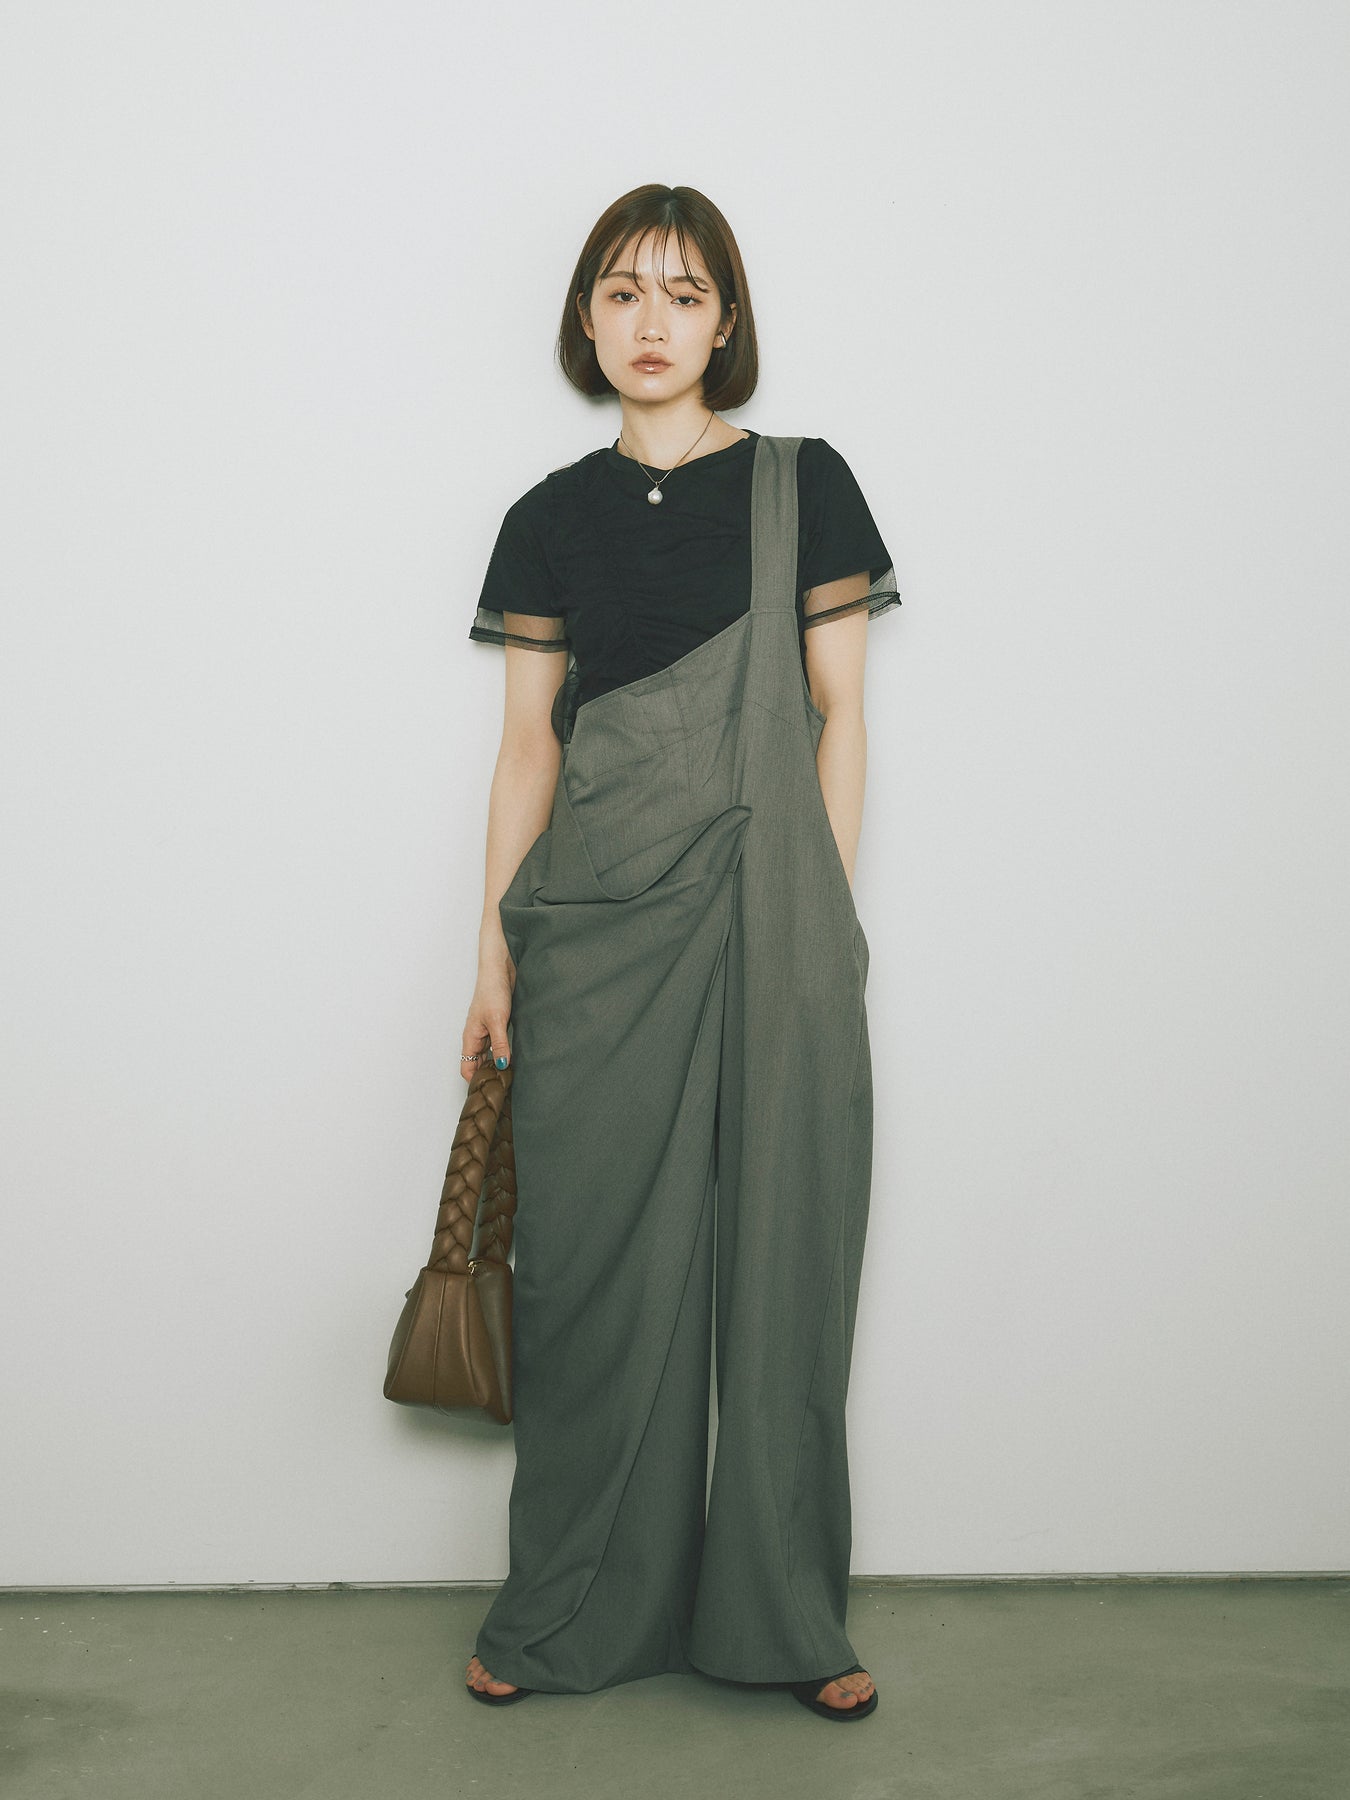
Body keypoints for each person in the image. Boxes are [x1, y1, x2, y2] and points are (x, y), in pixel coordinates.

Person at [459, 183, 899, 1722]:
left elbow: (840, 715)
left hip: (775, 910)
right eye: (623, 291)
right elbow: (529, 750)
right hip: (591, 924)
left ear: (726, 323)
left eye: (685, 293)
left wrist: (819, 916)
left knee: (788, 1255)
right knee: (587, 1273)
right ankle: (570, 1612)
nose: (652, 322)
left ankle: (786, 1618)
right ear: (585, 318)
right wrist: (491, 956)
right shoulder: (548, 515)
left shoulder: (801, 484)